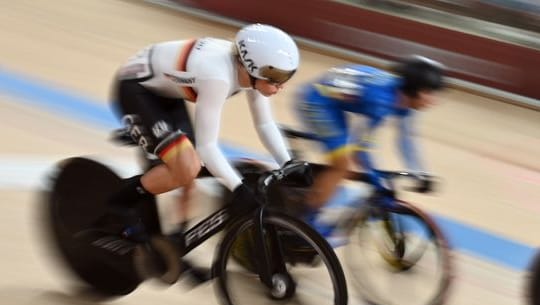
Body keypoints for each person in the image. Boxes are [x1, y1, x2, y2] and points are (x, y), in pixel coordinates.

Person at [100, 23, 309, 283]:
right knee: (187, 165)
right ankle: (118, 205)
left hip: (167, 92)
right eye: (276, 77)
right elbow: (208, 148)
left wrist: (289, 162)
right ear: (253, 68)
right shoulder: (218, 76)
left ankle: (175, 243)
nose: (282, 85)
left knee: (190, 169)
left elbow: (265, 124)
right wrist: (237, 188)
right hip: (137, 89)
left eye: (286, 76)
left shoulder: (251, 72)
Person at [293, 55, 446, 240]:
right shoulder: (381, 100)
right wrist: (374, 175)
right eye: (429, 92)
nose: (433, 100)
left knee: (348, 164)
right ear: (414, 90)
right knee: (342, 165)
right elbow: (361, 149)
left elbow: (406, 140)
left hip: (334, 104)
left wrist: (419, 172)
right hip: (316, 102)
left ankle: (319, 188)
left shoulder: (405, 100)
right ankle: (305, 221)